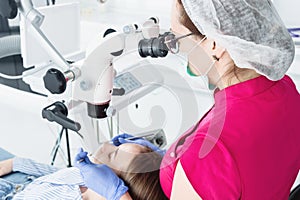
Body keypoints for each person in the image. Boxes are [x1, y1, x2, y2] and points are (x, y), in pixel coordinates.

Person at [76, 0, 300, 199]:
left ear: (215, 44)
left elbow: (220, 158)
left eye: (178, 38)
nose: (175, 48)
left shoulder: (210, 152)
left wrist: (119, 196)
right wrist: (174, 162)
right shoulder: (286, 91)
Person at [0, 143, 167, 200]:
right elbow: (54, 176)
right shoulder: (88, 177)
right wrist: (17, 163)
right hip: (22, 179)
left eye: (113, 154)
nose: (105, 146)